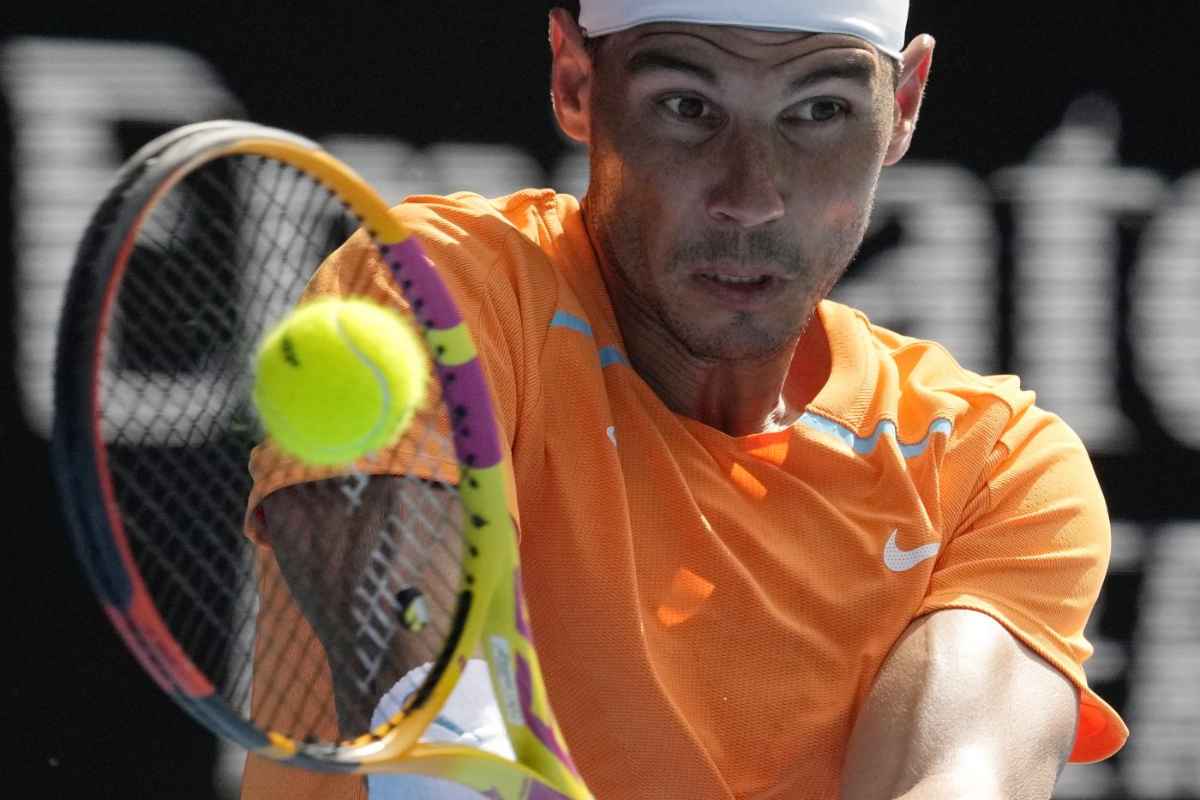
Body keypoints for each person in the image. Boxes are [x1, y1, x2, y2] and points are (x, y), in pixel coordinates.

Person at [241, 1, 1129, 797]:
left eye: (820, 111)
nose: (751, 196)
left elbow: (959, 779)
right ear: (576, 83)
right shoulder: (437, 293)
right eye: (686, 106)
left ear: (902, 105)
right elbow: (439, 723)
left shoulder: (995, 469)